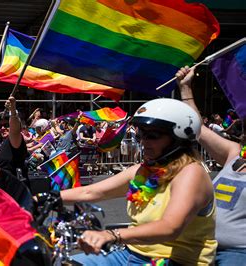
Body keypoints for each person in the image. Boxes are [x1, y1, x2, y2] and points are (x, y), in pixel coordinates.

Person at [61, 98, 217, 265]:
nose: (143, 142)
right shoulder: (144, 170)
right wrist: (42, 198)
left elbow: (170, 227)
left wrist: (112, 235)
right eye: (142, 134)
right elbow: (91, 191)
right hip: (129, 254)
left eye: (153, 136)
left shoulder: (191, 173)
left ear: (179, 138)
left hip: (174, 261)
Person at [176, 66, 246, 265]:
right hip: (200, 245)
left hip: (238, 253)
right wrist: (185, 88)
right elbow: (198, 128)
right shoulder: (235, 153)